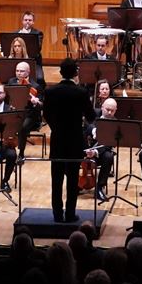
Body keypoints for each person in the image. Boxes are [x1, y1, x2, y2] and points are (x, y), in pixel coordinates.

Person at [44, 59, 96, 222]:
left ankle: (57, 214)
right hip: (74, 139)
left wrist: (56, 128)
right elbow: (91, 116)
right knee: (73, 179)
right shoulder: (81, 92)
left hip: (58, 139)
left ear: (60, 73)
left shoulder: (50, 91)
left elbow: (46, 115)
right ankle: (70, 213)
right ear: (75, 73)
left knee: (56, 178)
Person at [83, 97, 118, 203]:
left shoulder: (116, 123)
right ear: (102, 107)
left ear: (116, 110)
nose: (110, 112)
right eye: (107, 109)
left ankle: (99, 188)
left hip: (100, 153)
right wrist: (93, 129)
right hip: (84, 148)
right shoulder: (94, 114)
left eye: (112, 110)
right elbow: (86, 124)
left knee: (109, 156)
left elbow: (110, 144)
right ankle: (75, 184)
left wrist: (95, 152)